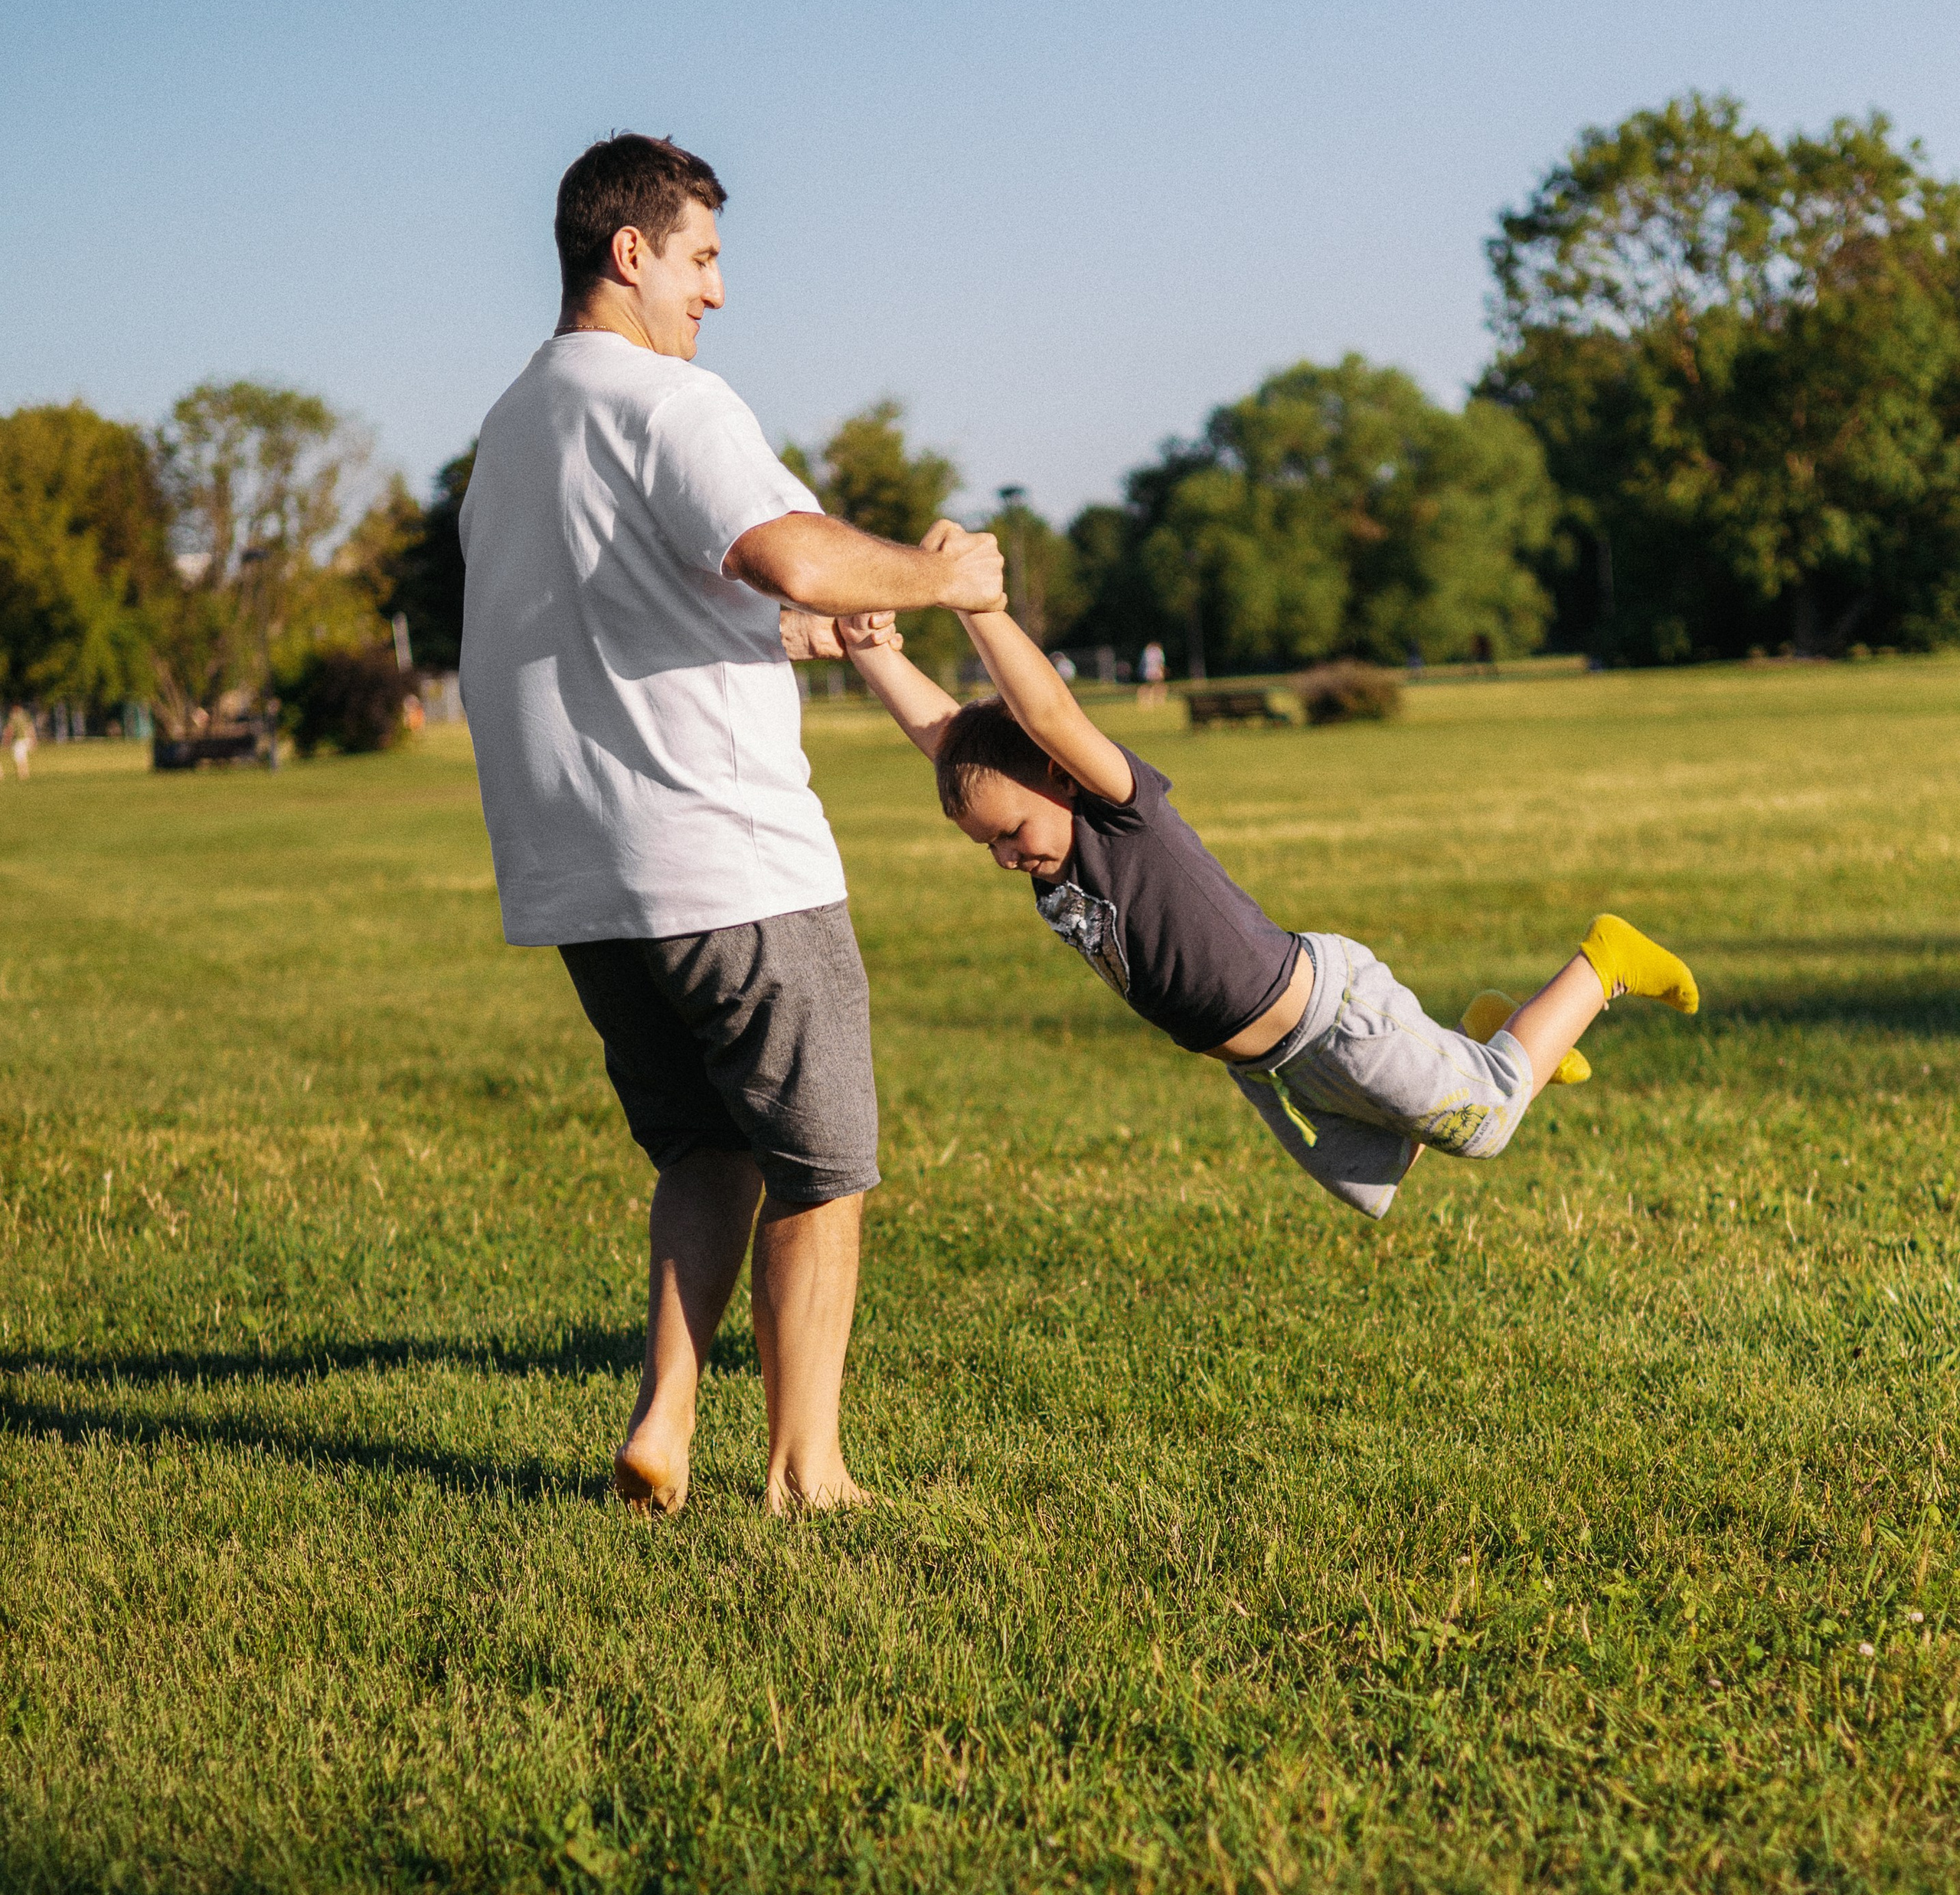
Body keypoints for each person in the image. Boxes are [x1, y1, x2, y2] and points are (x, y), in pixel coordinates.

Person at [459, 134, 1004, 1513]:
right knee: (823, 1170)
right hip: (728, 860)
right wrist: (942, 576)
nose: (715, 292)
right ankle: (807, 1470)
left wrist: (788, 632)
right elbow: (788, 544)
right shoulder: (672, 403)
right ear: (629, 253)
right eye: (701, 258)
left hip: (580, 881)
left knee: (705, 1147)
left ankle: (666, 1422)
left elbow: (632, 608)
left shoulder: (515, 427)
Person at [838, 571, 1698, 1220]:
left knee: (1487, 1124)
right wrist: (871, 649)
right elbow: (951, 739)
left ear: (1062, 779)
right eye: (986, 843)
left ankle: (1603, 962)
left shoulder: (1116, 815)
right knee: (1374, 1181)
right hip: (1274, 1066)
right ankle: (1498, 1038)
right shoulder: (1052, 851)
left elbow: (1051, 714)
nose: (1001, 856)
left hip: (1332, 1018)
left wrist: (972, 604)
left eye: (1008, 833)